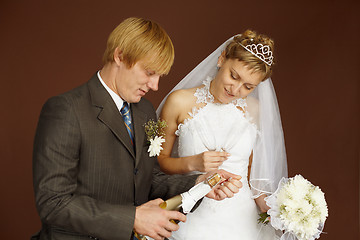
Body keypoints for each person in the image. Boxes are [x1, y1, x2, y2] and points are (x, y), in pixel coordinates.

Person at [32, 17, 242, 240]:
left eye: (159, 76)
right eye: (150, 72)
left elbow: (147, 178)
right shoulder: (66, 110)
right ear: (120, 56)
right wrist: (132, 218)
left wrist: (199, 183)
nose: (155, 85)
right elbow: (52, 202)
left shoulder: (145, 111)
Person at [156, 30, 288, 239]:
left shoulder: (255, 110)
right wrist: (193, 163)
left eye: (248, 86)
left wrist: (270, 207)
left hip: (243, 221)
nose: (235, 89)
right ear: (221, 58)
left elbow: (253, 171)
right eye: (233, 76)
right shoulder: (179, 102)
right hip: (192, 216)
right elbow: (159, 162)